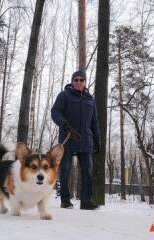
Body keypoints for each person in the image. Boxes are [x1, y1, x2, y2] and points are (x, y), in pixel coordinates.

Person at [51, 70, 100, 210]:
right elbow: (55, 112)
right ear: (72, 82)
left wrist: (97, 141)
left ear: (85, 82)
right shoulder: (64, 95)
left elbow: (94, 122)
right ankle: (65, 200)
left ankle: (86, 201)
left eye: (81, 80)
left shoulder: (90, 99)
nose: (78, 82)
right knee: (65, 170)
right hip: (68, 138)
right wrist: (63, 123)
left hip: (86, 141)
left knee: (87, 171)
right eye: (76, 80)